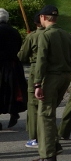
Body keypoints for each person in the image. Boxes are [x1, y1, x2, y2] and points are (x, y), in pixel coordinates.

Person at [30, 5, 71, 161]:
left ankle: (48, 155)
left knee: (45, 115)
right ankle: (54, 145)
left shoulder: (45, 35)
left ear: (43, 17)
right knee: (50, 111)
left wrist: (37, 83)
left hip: (51, 77)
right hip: (65, 76)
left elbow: (41, 60)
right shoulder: (66, 35)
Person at [18, 12, 43, 147]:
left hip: (35, 69)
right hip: (55, 72)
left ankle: (34, 137)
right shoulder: (60, 34)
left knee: (33, 105)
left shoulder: (33, 36)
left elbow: (22, 56)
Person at [0, 8, 26, 129]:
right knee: (12, 91)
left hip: (1, 66)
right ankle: (14, 111)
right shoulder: (14, 31)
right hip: (13, 65)